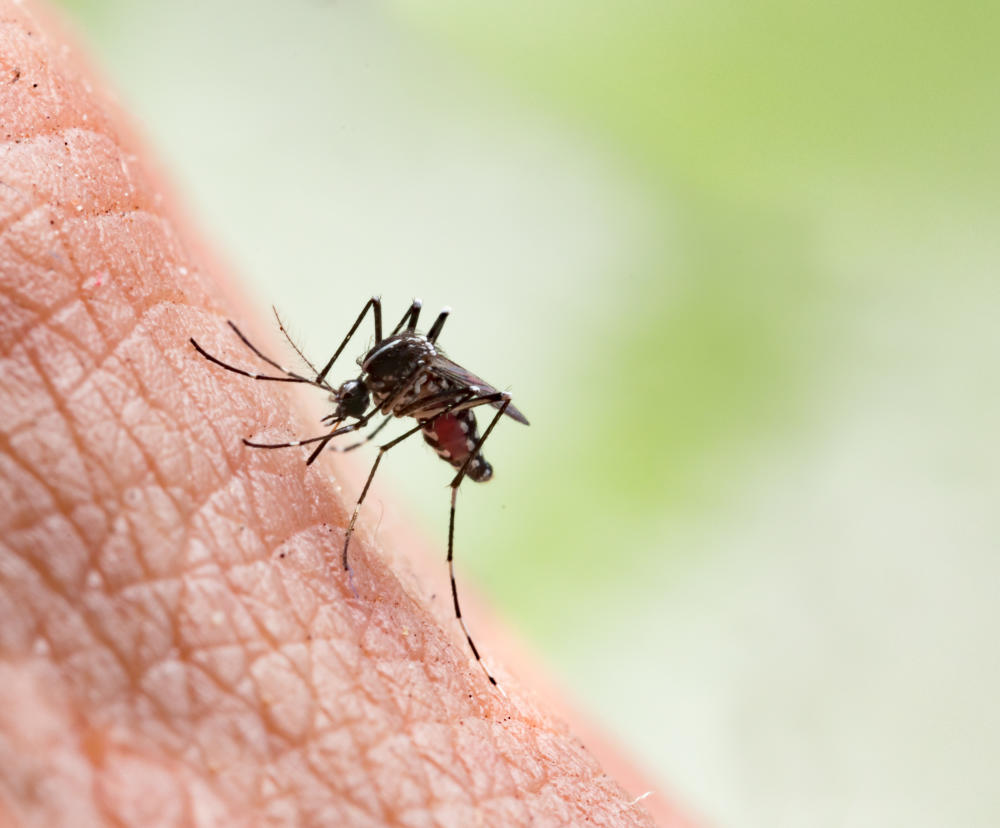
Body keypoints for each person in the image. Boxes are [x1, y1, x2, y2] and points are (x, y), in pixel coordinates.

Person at [0, 3, 678, 823]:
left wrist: (390, 474)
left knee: (422, 370)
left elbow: (428, 393)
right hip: (416, 386)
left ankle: (452, 540)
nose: (353, 405)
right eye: (353, 397)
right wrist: (327, 387)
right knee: (395, 331)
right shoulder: (372, 374)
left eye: (353, 400)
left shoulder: (412, 401)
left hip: (451, 407)